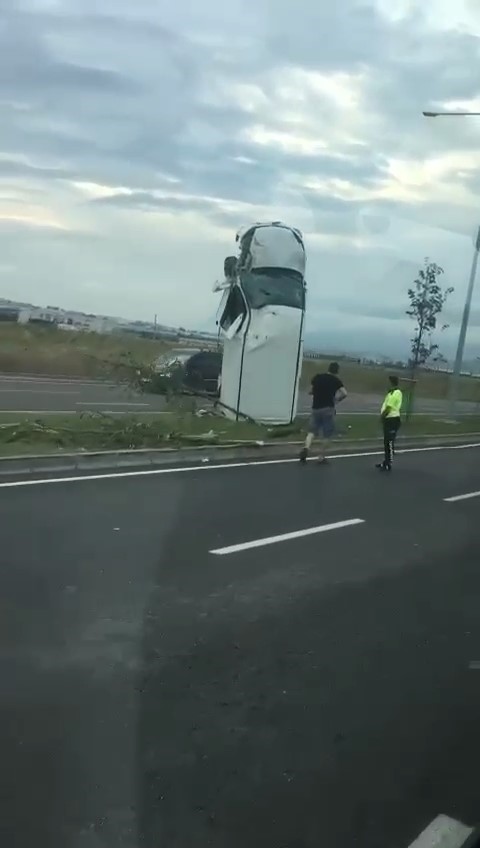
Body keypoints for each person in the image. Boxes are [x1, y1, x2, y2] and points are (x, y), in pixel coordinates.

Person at [299, 362, 347, 464]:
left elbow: (310, 391)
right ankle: (321, 456)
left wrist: (315, 392)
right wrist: (337, 400)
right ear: (337, 371)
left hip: (316, 407)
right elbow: (344, 393)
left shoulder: (318, 377)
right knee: (327, 434)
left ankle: (306, 448)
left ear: (328, 368)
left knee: (311, 431)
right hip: (328, 408)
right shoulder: (336, 380)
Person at [376, 375, 403, 472]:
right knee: (386, 442)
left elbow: (389, 408)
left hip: (392, 420)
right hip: (388, 420)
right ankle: (386, 461)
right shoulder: (390, 393)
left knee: (389, 442)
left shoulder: (396, 393)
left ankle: (389, 463)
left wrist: (382, 417)